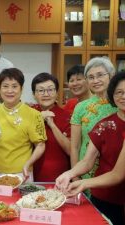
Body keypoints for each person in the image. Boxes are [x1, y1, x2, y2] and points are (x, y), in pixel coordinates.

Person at [56, 72, 125, 225]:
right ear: (112, 95)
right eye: (119, 92)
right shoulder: (104, 125)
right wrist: (69, 173)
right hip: (104, 197)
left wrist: (84, 183)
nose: (123, 97)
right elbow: (87, 161)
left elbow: (118, 174)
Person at [0, 68, 46, 181]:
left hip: (23, 173)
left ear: (21, 89)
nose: (9, 90)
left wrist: (28, 164)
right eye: (5, 86)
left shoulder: (34, 114)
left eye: (14, 86)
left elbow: (40, 145)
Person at [70, 57, 117, 183]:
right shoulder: (81, 107)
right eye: (90, 77)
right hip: (84, 170)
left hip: (114, 170)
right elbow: (75, 146)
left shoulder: (119, 104)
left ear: (111, 76)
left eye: (100, 75)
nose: (95, 80)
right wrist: (74, 175)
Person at [31, 73, 71, 182]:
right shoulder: (29, 114)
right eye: (41, 90)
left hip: (59, 176)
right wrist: (39, 118)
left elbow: (70, 150)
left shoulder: (67, 116)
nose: (46, 94)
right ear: (34, 94)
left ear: (57, 93)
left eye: (50, 90)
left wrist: (52, 124)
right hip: (30, 174)